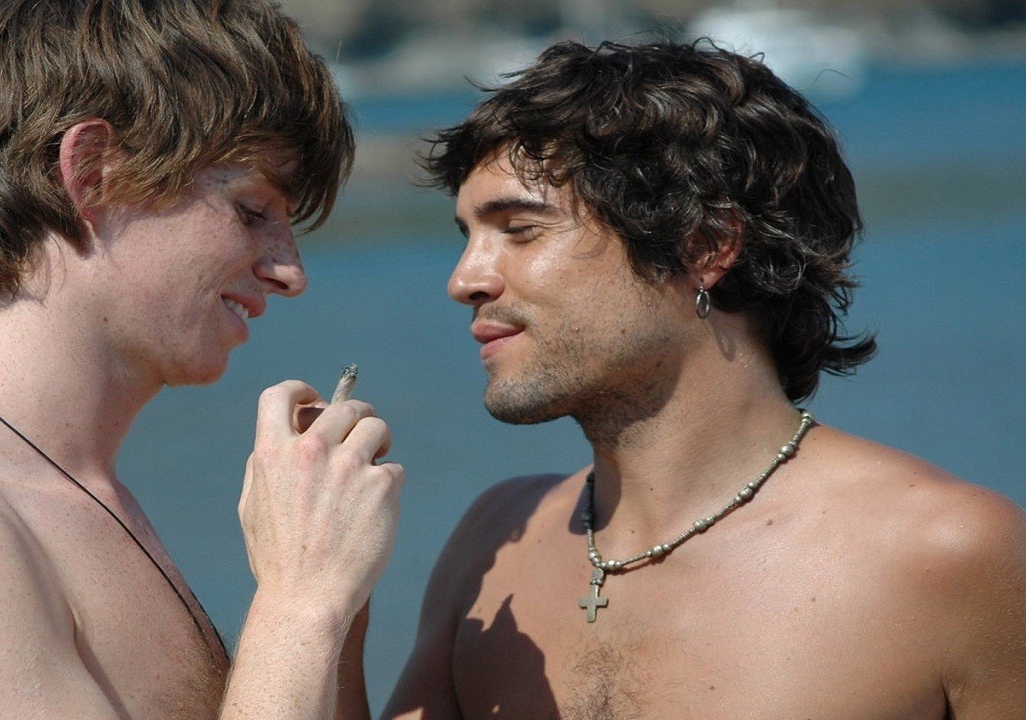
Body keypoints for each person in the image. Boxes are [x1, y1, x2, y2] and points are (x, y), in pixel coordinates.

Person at [0, 1, 404, 718]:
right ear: (92, 174)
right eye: (252, 211)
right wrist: (301, 599)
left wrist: (337, 603)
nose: (291, 272)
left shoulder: (78, 502)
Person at [379, 40, 1026, 719]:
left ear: (704, 247)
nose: (464, 280)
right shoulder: (493, 540)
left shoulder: (945, 551)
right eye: (467, 237)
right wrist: (324, 598)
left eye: (519, 229)